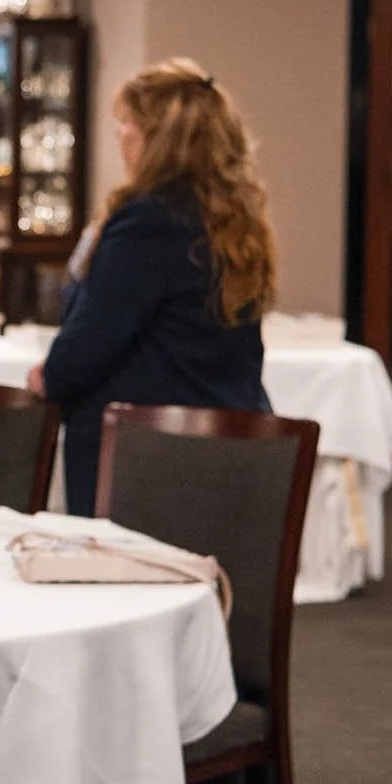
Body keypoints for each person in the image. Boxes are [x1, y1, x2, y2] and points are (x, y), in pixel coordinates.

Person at [28, 59, 275, 518]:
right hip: (225, 439)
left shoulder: (150, 220)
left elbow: (94, 335)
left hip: (147, 455)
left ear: (158, 140)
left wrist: (53, 375)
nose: (120, 136)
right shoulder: (232, 217)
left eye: (127, 124)